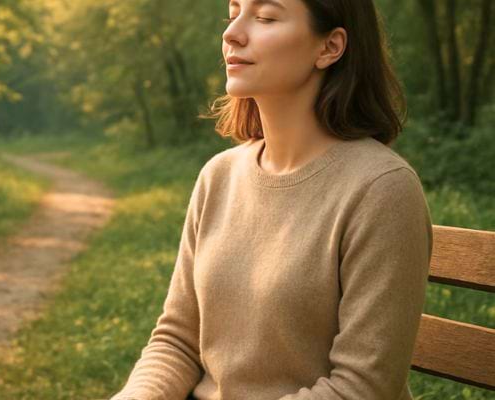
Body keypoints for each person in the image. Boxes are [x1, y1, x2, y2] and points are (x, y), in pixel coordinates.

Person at [110, 0, 433, 399]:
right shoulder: (220, 175)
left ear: (329, 47)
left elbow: (363, 387)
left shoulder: (382, 188)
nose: (231, 34)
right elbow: (177, 341)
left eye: (264, 17)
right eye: (233, 14)